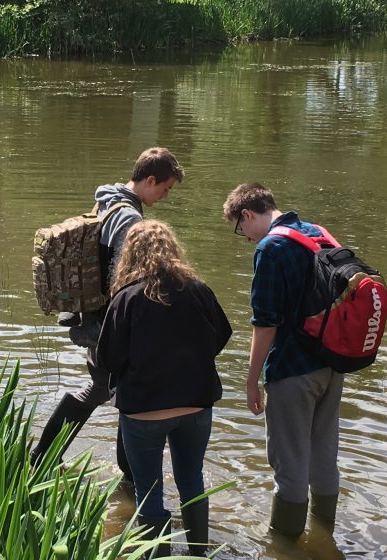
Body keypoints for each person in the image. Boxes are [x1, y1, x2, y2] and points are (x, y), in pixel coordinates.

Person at [32, 147, 183, 481]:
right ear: (150, 179)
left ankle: (43, 456)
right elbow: (123, 277)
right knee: (126, 394)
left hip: (93, 317)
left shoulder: (107, 200)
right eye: (165, 188)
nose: (165, 195)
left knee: (102, 389)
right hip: (108, 324)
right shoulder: (130, 218)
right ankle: (130, 476)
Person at [97, 220, 230, 557]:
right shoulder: (198, 289)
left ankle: (158, 554)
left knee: (149, 490)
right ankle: (199, 552)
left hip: (144, 412)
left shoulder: (125, 298)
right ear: (173, 250)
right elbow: (222, 335)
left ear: (130, 255)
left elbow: (108, 358)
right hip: (196, 408)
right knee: (191, 481)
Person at [224, 183, 343, 549]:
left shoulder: (271, 248)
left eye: (239, 228)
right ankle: (325, 540)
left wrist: (250, 381)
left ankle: (284, 548)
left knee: (289, 465)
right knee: (324, 457)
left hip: (293, 370)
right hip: (333, 364)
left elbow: (266, 323)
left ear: (247, 215)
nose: (244, 238)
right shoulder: (317, 234)